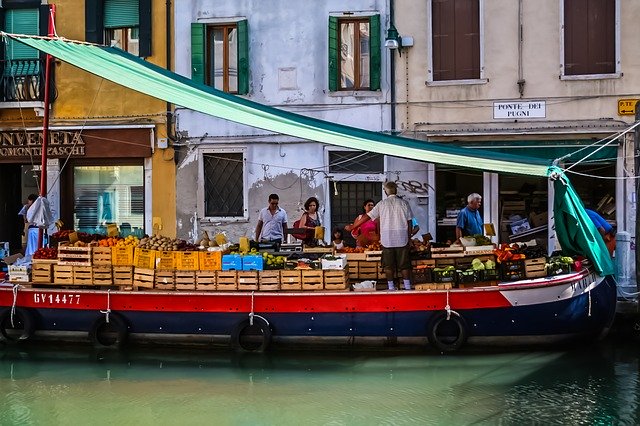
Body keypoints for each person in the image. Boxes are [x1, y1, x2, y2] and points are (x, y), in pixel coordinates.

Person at [346, 182, 413, 291]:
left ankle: (391, 287)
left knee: (388, 265)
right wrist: (409, 237)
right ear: (396, 190)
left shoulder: (382, 204)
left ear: (386, 191)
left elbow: (367, 216)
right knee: (404, 265)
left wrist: (353, 226)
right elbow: (409, 222)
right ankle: (407, 287)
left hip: (387, 239)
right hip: (402, 238)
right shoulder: (404, 203)